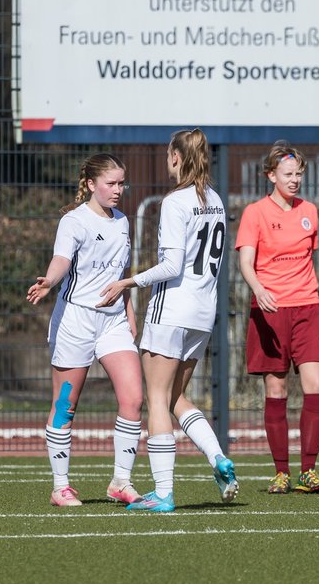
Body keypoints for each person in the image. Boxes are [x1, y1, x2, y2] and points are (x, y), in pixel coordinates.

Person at [97, 128, 238, 513]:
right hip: (202, 312)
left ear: (176, 157)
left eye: (167, 154)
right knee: (175, 396)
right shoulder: (216, 199)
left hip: (172, 308)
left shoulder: (176, 202)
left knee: (157, 399)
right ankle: (218, 459)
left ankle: (163, 492)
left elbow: (173, 265)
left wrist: (130, 280)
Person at [26, 153, 144, 508]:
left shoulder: (123, 221)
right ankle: (60, 487)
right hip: (75, 321)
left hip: (113, 322)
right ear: (91, 184)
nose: (118, 190)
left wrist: (129, 308)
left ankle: (120, 482)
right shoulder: (73, 221)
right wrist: (50, 280)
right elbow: (62, 260)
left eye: (122, 183)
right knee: (66, 404)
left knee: (133, 399)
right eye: (111, 183)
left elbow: (121, 272)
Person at [236, 143, 319, 494]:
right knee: (276, 390)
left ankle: (309, 471)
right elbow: (246, 262)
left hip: (308, 307)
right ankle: (281, 472)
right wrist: (259, 289)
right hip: (270, 310)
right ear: (270, 176)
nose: (295, 180)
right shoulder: (254, 213)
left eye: (298, 174)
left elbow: (307, 259)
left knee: (315, 387)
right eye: (288, 175)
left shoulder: (310, 210)